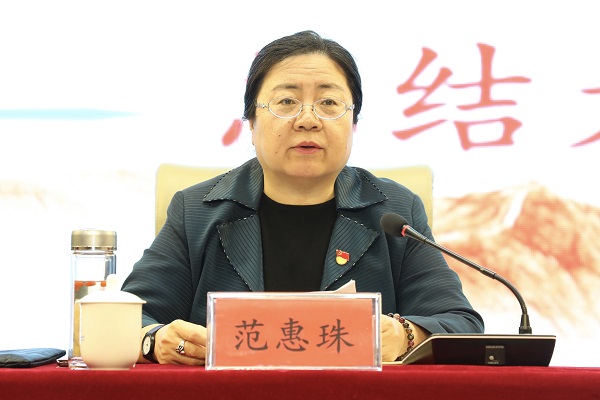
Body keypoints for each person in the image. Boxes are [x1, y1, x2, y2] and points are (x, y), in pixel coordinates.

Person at [121, 30, 484, 365]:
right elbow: (127, 318)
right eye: (286, 101)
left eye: (329, 102)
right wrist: (155, 340)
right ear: (251, 123)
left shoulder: (394, 212)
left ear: (354, 124)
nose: (308, 120)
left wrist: (406, 335)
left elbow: (460, 324)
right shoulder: (197, 211)